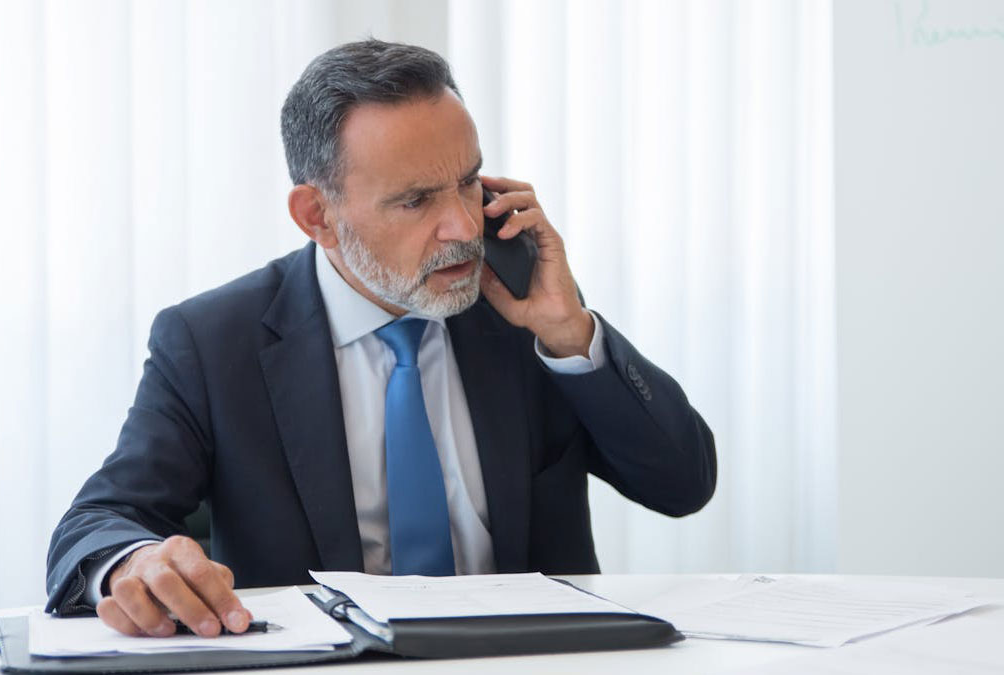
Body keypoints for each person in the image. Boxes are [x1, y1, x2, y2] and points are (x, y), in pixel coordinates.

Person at [45, 39, 716, 640]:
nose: (462, 226)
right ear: (318, 216)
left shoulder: (520, 304)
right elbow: (100, 518)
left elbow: (683, 483)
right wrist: (137, 560)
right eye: (417, 200)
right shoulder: (213, 341)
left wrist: (572, 336)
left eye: (468, 182)